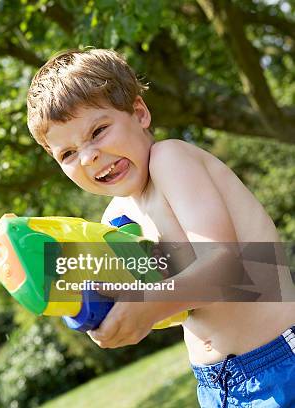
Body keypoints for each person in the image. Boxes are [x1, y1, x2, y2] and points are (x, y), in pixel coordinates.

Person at [26, 48, 295, 407]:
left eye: (99, 131)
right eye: (68, 154)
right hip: (217, 387)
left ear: (139, 113)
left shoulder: (171, 160)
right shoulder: (114, 221)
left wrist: (147, 305)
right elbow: (172, 297)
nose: (89, 156)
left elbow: (226, 270)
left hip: (279, 361)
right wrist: (109, 310)